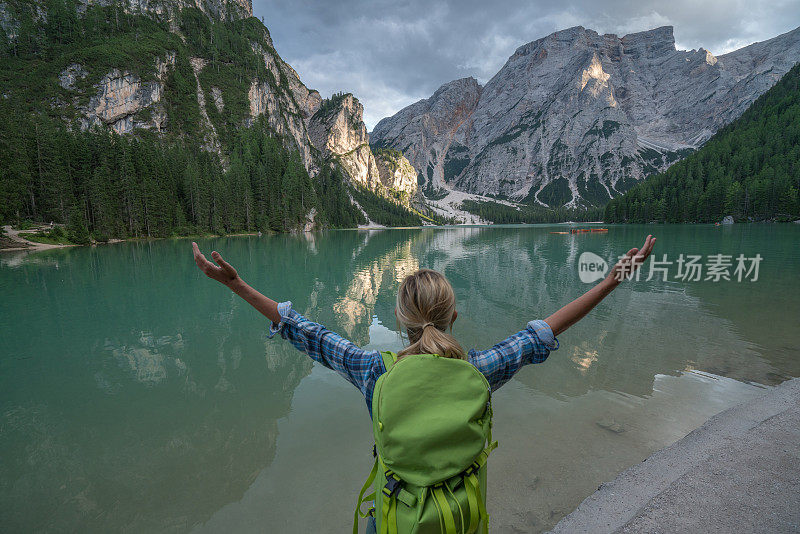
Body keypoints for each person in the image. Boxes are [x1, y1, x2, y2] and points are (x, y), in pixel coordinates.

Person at [191, 235, 656, 531]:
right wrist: (614, 278)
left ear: (400, 319)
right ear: (454, 314)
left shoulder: (374, 371)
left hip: (398, 521)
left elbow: (307, 331)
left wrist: (237, 286)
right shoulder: (478, 370)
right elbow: (545, 332)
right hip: (461, 518)